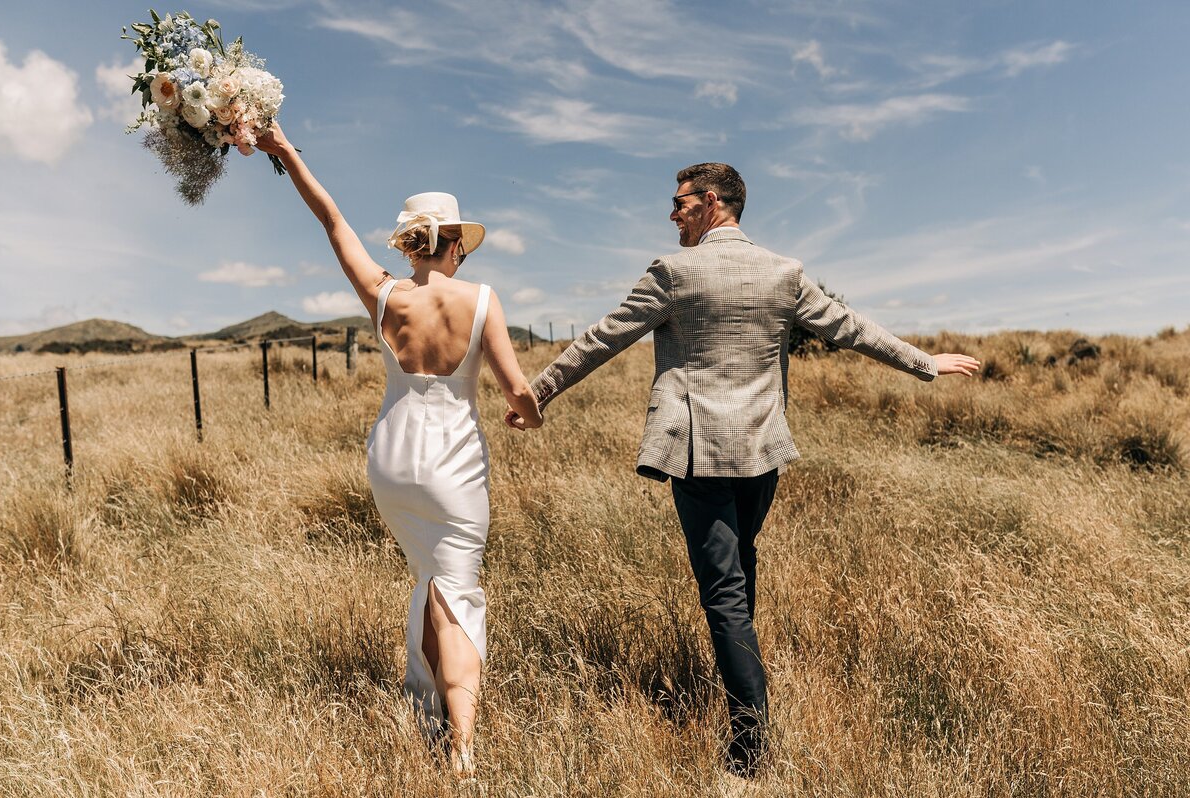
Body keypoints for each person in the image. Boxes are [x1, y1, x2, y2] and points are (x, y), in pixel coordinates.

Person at [511, 162, 980, 777]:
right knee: (740, 568)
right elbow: (850, 329)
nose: (672, 214)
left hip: (697, 450)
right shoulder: (783, 272)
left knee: (723, 589)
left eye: (679, 203)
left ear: (711, 202)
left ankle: (750, 741)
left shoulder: (673, 272)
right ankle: (744, 682)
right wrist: (923, 362)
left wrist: (537, 393)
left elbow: (603, 338)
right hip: (762, 452)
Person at [253, 122, 543, 781]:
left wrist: (287, 151)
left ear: (413, 242)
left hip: (390, 460)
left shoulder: (386, 296)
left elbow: (330, 219)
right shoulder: (482, 300)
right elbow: (518, 390)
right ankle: (461, 749)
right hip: (452, 464)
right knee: (459, 586)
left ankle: (429, 707)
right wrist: (525, 415)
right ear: (453, 245)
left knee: (431, 579)